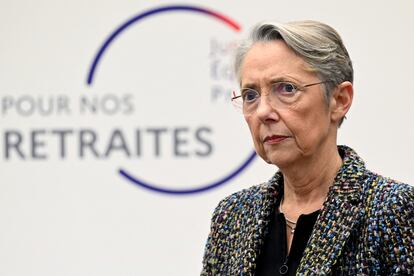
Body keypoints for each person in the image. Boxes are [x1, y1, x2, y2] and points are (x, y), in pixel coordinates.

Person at [201, 20, 414, 275]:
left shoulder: (393, 209)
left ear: (339, 100)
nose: (263, 111)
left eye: (287, 89)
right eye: (250, 95)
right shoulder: (232, 216)